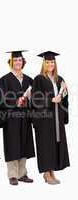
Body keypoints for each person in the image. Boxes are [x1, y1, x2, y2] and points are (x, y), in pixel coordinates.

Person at [0, 50, 35, 185]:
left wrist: (29, 100)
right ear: (11, 62)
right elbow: (0, 100)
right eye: (15, 60)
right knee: (12, 144)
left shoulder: (29, 80)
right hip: (11, 117)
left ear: (23, 62)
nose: (18, 62)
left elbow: (35, 99)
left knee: (24, 143)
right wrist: (15, 103)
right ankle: (12, 175)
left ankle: (22, 173)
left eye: (20, 60)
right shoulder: (4, 80)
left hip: (24, 117)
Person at [31, 51, 70, 185]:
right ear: (43, 63)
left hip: (56, 118)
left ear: (55, 63)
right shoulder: (39, 79)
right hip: (44, 119)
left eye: (52, 62)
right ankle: (47, 174)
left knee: (54, 144)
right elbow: (35, 99)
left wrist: (65, 91)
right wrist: (51, 100)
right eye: (47, 62)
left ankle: (52, 171)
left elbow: (64, 99)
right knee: (45, 145)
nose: (50, 64)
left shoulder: (59, 79)